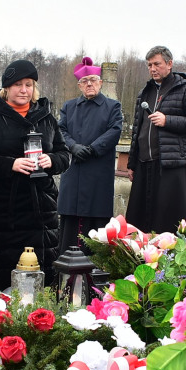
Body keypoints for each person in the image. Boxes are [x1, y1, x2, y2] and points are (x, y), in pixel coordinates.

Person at [0, 60, 70, 290]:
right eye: (17, 85)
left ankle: (42, 320)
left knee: (43, 272)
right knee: (7, 273)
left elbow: (64, 154)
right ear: (6, 88)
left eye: (29, 84)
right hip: (7, 207)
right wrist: (11, 164)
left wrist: (52, 160)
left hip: (42, 207)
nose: (24, 90)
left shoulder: (46, 118)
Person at [125, 46, 186, 234]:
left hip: (170, 165)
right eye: (149, 65)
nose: (152, 69)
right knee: (139, 221)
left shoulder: (185, 90)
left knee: (169, 222)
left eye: (157, 64)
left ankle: (171, 259)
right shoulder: (144, 93)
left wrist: (167, 120)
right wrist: (132, 163)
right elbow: (138, 130)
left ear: (169, 64)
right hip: (144, 164)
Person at [57, 57, 123, 253]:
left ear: (100, 83)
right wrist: (73, 146)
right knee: (71, 221)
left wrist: (93, 148)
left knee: (96, 221)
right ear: (79, 85)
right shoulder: (69, 107)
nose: (89, 84)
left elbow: (114, 130)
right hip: (74, 170)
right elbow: (60, 130)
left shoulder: (112, 107)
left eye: (93, 80)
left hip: (98, 172)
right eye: (85, 82)